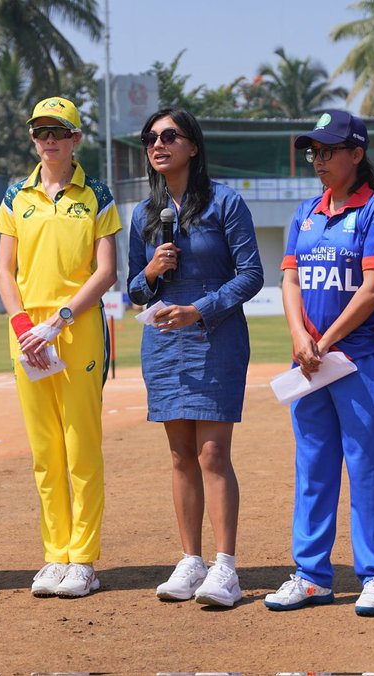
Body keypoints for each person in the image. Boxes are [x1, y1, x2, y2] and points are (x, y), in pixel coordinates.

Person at [265, 111, 374, 616]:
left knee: (369, 468)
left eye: (328, 151)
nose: (319, 160)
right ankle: (311, 574)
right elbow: (290, 282)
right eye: (314, 152)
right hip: (309, 362)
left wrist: (327, 341)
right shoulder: (305, 212)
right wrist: (301, 337)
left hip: (359, 359)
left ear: (357, 154)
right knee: (314, 467)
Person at [127, 108, 263, 607]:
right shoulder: (144, 215)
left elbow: (250, 274)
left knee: (212, 454)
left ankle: (225, 567)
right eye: (150, 138)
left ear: (193, 146)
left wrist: (200, 309)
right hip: (163, 341)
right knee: (180, 454)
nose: (158, 144)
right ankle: (191, 561)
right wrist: (153, 270)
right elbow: (134, 291)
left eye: (169, 136)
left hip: (215, 334)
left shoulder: (226, 203)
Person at [0, 96, 120, 598]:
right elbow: (5, 270)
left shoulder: (97, 195)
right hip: (26, 334)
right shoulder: (15, 195)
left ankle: (83, 558)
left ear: (76, 139)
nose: (49, 140)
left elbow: (106, 270)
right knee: (45, 450)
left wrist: (61, 319)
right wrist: (27, 324)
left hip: (79, 327)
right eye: (41, 131)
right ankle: (55, 555)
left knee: (80, 447)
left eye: (58, 131)